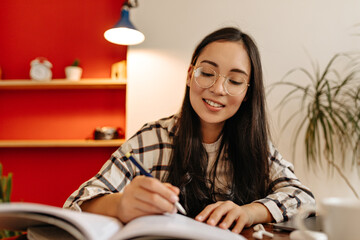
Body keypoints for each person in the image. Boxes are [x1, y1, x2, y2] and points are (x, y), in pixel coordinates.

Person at [64, 27, 315, 234]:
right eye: (207, 73)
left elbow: (302, 196)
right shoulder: (153, 139)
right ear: (189, 75)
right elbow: (76, 203)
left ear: (248, 93)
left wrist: (249, 211)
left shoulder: (254, 145)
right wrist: (121, 204)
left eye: (235, 81)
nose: (218, 89)